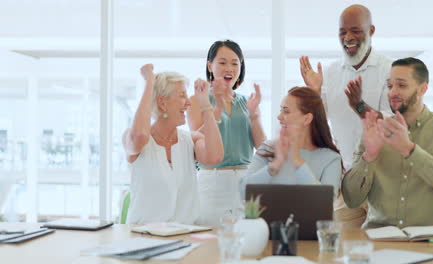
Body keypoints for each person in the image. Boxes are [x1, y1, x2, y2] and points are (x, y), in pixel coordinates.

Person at [342, 57, 433, 230]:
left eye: (401, 85)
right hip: (379, 241)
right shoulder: (374, 130)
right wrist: (368, 156)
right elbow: (351, 199)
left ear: (422, 89)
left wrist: (410, 150)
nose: (393, 92)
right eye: (390, 85)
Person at [299, 4, 392, 227]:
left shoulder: (390, 69)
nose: (348, 37)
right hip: (346, 183)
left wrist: (360, 106)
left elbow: (392, 125)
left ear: (371, 31)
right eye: (342, 32)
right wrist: (314, 91)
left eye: (356, 30)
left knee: (382, 249)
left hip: (383, 182)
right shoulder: (330, 73)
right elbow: (318, 124)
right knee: (337, 247)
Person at [123, 64, 224, 224]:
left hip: (185, 237)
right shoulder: (134, 140)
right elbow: (141, 134)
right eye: (182, 96)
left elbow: (215, 156)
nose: (188, 103)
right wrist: (150, 81)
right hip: (142, 238)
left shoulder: (190, 140)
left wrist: (205, 104)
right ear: (162, 103)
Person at [187, 40, 266, 226]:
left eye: (234, 63)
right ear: (210, 66)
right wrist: (216, 108)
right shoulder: (198, 100)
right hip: (212, 181)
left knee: (245, 240)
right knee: (208, 242)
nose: (228, 68)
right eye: (222, 63)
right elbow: (198, 140)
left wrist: (254, 115)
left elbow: (262, 147)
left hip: (246, 179)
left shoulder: (247, 102)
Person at [240, 87, 343, 199]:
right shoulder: (268, 148)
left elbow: (326, 201)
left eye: (286, 111)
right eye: (281, 110)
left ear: (307, 119)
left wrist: (297, 161)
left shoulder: (331, 158)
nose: (279, 117)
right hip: (270, 217)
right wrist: (275, 164)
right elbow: (243, 192)